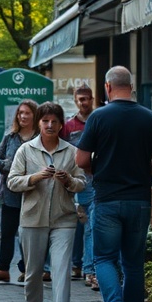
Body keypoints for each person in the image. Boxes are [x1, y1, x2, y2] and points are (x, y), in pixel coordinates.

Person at [76, 66, 152, 302]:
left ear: (107, 87)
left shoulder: (98, 117)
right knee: (133, 264)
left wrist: (99, 169)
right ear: (131, 87)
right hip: (139, 200)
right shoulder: (149, 117)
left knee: (104, 259)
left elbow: (81, 160)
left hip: (107, 199)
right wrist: (144, 172)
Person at [7, 102, 86, 302]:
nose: (50, 125)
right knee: (33, 272)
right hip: (33, 219)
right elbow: (12, 181)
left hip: (64, 219)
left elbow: (82, 183)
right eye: (45, 121)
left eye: (54, 121)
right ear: (38, 123)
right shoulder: (26, 150)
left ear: (61, 125)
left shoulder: (71, 151)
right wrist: (34, 178)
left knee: (61, 271)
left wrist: (69, 180)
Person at [0, 100, 39, 283]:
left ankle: (28, 269)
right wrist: (10, 166)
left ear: (35, 115)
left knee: (28, 234)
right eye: (20, 113)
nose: (23, 116)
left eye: (27, 113)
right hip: (11, 193)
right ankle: (2, 269)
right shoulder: (10, 137)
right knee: (7, 233)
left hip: (33, 193)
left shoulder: (39, 138)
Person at [60, 84, 96, 287]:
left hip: (92, 180)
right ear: (75, 101)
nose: (83, 103)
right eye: (80, 99)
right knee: (76, 224)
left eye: (86, 99)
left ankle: (89, 269)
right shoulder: (69, 126)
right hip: (73, 179)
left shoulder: (98, 120)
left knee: (88, 224)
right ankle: (77, 264)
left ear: (92, 99)